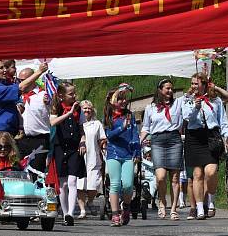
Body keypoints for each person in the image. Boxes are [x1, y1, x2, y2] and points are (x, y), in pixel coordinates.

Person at [181, 73, 228, 220]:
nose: (193, 86)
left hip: (211, 137)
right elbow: (186, 118)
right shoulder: (187, 100)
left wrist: (227, 135)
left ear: (204, 84)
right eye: (192, 83)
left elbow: (223, 120)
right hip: (194, 137)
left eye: (196, 84)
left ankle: (211, 199)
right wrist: (195, 107)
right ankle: (199, 207)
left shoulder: (215, 101)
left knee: (210, 172)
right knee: (197, 174)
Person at [140, 78, 185, 221]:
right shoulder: (150, 108)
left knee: (175, 177)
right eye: (167, 88)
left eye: (172, 89)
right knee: (160, 177)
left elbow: (190, 95)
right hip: (158, 140)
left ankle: (173, 209)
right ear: (160, 90)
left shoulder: (178, 103)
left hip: (174, 140)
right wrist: (138, 141)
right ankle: (162, 201)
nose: (170, 91)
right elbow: (146, 127)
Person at [49, 81, 87, 226]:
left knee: (72, 181)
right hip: (60, 147)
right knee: (63, 184)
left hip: (74, 147)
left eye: (74, 93)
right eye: (71, 94)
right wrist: (69, 113)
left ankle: (71, 213)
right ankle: (65, 213)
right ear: (61, 95)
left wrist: (82, 140)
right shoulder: (57, 107)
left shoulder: (78, 108)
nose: (74, 96)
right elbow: (52, 123)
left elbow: (81, 128)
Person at [103, 86, 141, 227]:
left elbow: (135, 135)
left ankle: (126, 206)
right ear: (113, 101)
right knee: (115, 184)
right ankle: (114, 214)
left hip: (128, 154)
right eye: (120, 98)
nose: (124, 101)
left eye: (125, 98)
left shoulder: (129, 115)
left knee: (128, 185)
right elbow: (109, 136)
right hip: (113, 153)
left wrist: (137, 151)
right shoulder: (108, 115)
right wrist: (121, 128)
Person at [0, 60, 47, 136]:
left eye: (5, 67)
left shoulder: (5, 85)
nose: (5, 70)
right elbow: (21, 87)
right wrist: (39, 72)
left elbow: (18, 98)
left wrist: (20, 104)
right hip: (0, 133)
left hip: (10, 132)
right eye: (1, 68)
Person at [17, 66, 52, 173]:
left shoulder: (44, 95)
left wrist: (49, 102)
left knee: (36, 172)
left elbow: (54, 111)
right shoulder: (16, 96)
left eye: (23, 80)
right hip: (20, 139)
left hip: (39, 139)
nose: (20, 83)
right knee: (19, 172)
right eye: (19, 80)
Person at [76, 101, 106, 219]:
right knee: (80, 185)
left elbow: (102, 138)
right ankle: (82, 210)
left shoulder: (97, 123)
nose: (87, 110)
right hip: (79, 158)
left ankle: (91, 201)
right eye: (84, 108)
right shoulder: (77, 123)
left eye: (89, 108)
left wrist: (104, 147)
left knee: (93, 185)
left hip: (93, 158)